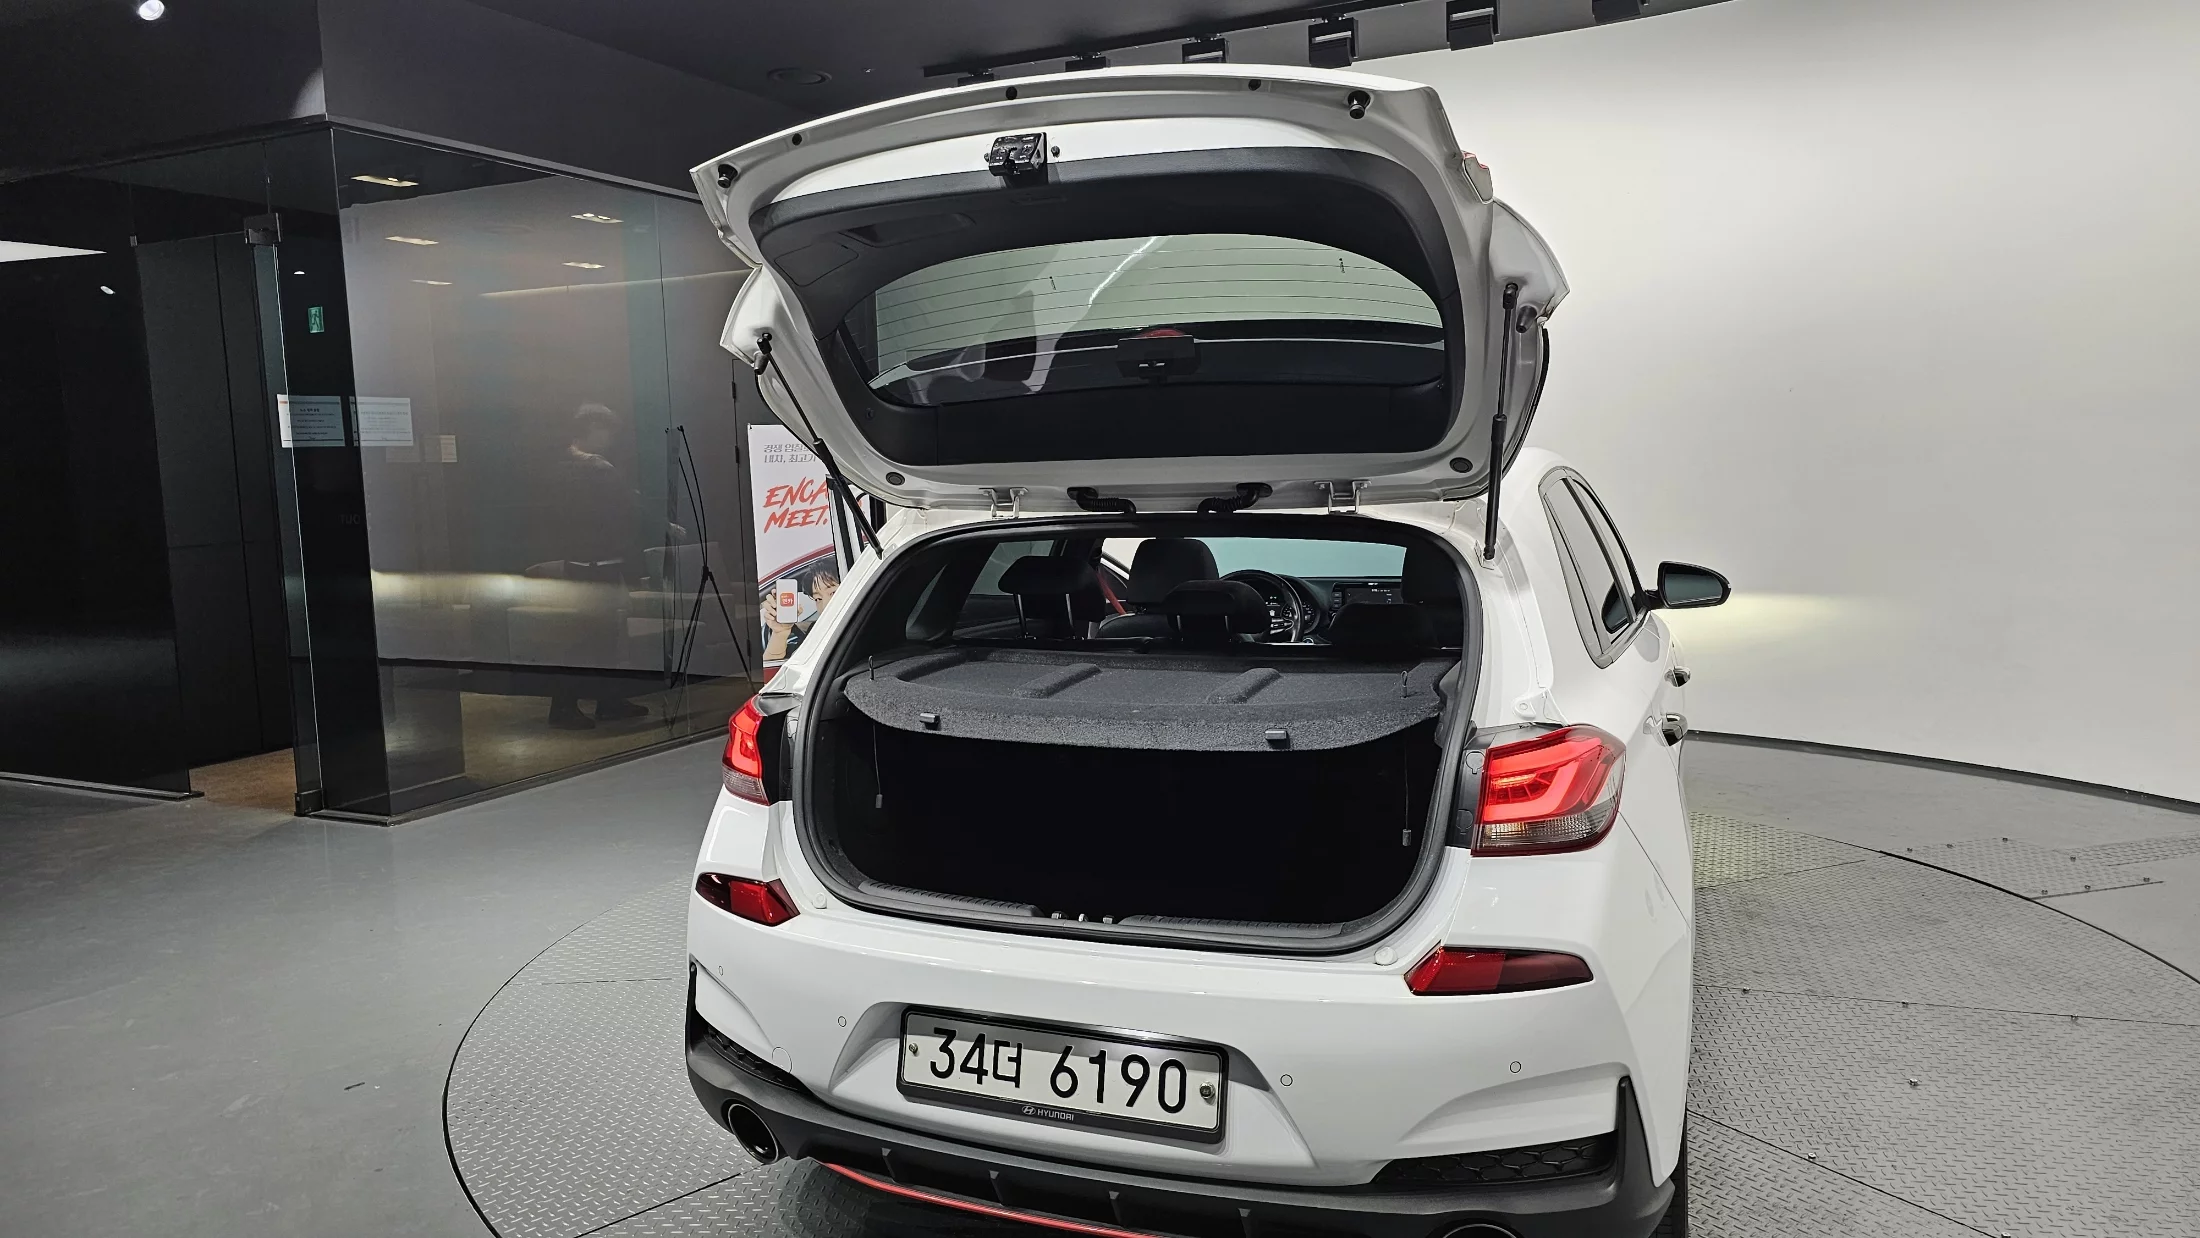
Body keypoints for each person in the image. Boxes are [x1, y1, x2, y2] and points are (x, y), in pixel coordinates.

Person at [545, 404, 648, 729]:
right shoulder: (595, 469)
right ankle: (566, 706)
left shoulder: (565, 466)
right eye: (606, 432)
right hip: (595, 562)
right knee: (587, 638)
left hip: (589, 560)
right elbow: (627, 506)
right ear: (591, 429)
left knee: (604, 637)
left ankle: (607, 700)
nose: (610, 439)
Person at [763, 564, 839, 664]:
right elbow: (777, 670)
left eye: (833, 593)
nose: (825, 605)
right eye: (818, 599)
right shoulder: (816, 631)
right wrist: (780, 633)